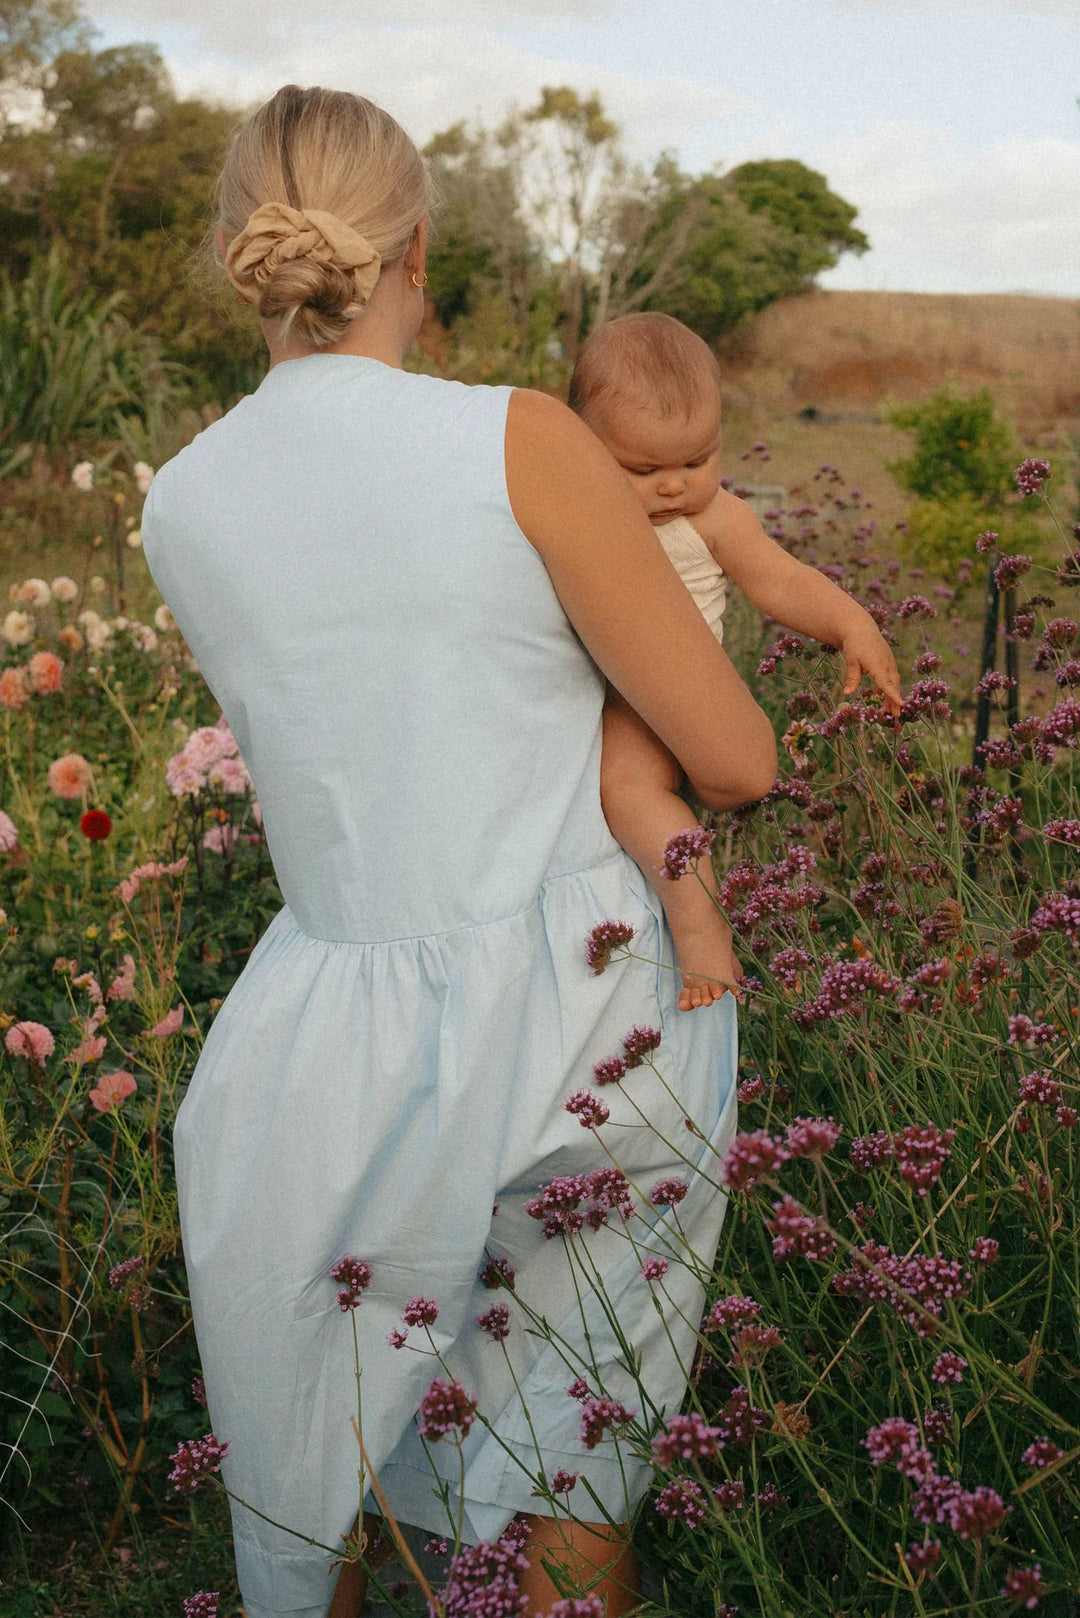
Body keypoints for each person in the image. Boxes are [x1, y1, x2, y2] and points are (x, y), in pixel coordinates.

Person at [142, 86, 776, 1618]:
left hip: (326, 1032)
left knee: (329, 1475)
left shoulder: (180, 498)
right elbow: (740, 760)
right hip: (589, 1011)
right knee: (561, 1464)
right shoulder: (524, 438)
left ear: (243, 258)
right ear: (418, 248)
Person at [568, 314, 902, 1011]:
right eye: (644, 468)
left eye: (696, 461)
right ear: (582, 442)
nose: (673, 486)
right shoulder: (576, 509)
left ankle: (704, 934)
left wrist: (852, 622)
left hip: (661, 700)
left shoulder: (715, 519)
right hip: (583, 687)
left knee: (626, 791)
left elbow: (782, 582)